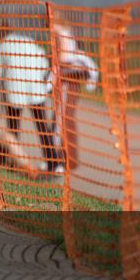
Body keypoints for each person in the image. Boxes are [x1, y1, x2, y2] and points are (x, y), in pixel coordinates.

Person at [0, 22, 63, 176]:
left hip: (15, 91)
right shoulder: (27, 42)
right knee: (43, 128)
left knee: (13, 129)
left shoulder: (2, 46)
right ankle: (55, 164)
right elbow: (44, 64)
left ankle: (13, 161)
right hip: (36, 89)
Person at [52, 23, 99, 172]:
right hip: (68, 77)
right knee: (65, 119)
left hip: (68, 79)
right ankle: (66, 159)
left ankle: (61, 160)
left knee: (61, 120)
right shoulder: (63, 34)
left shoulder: (58, 32)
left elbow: (63, 60)